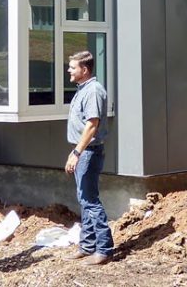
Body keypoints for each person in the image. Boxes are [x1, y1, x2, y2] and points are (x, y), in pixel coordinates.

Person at [63, 50, 114, 265]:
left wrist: (77, 152)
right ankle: (87, 245)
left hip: (88, 153)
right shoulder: (83, 89)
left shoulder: (92, 90)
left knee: (90, 201)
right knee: (84, 199)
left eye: (72, 67)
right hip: (83, 151)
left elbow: (92, 125)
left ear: (84, 70)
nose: (69, 71)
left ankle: (104, 249)